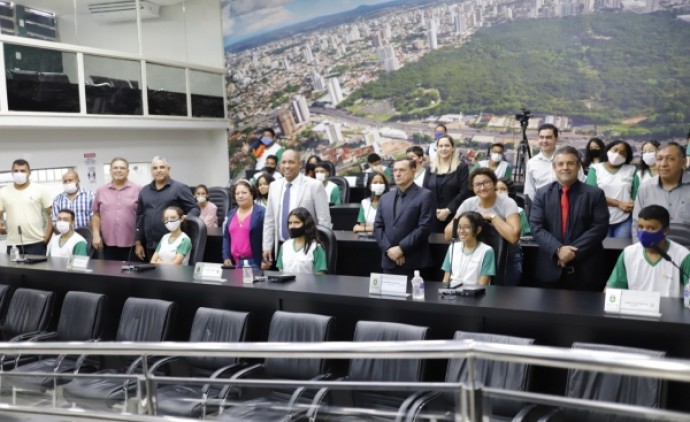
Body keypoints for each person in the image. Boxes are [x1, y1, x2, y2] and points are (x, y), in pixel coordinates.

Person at [529, 146, 609, 290]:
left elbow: (600, 228)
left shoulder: (595, 194)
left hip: (586, 269)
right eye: (560, 164)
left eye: (570, 163)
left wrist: (571, 252)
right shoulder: (542, 194)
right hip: (550, 268)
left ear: (578, 166)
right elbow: (536, 227)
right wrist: (558, 249)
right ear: (554, 167)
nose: (565, 167)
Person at [446, 168, 522, 286]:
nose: (482, 187)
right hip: (476, 258)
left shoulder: (508, 202)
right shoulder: (468, 203)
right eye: (477, 184)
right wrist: (470, 218)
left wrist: (492, 216)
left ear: (494, 183)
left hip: (507, 258)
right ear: (472, 187)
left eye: (486, 182)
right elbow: (448, 233)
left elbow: (513, 237)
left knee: (505, 298)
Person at [262, 150, 332, 265]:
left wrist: (320, 248)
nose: (287, 166)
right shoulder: (274, 186)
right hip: (281, 246)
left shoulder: (314, 186)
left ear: (300, 164)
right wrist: (267, 246)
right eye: (283, 162)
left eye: (291, 162)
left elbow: (324, 220)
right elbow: (269, 220)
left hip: (306, 248)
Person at [607, 205, 690, 298]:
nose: (644, 232)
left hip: (671, 311)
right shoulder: (628, 253)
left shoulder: (682, 256)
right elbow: (613, 289)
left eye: (651, 228)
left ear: (666, 231)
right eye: (640, 227)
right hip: (635, 310)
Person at [374, 158, 436, 276]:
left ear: (413, 172)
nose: (397, 174)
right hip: (389, 261)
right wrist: (390, 250)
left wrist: (401, 249)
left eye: (402, 170)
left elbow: (424, 227)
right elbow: (377, 226)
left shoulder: (425, 195)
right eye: (395, 170)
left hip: (414, 262)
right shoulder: (385, 197)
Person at [135, 156, 199, 261]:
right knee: (151, 276)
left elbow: (194, 208)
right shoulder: (144, 191)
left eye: (162, 167)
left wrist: (187, 217)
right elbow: (140, 217)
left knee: (171, 275)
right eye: (155, 168)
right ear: (151, 171)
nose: (158, 170)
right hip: (150, 245)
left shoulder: (180, 188)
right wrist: (138, 242)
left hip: (173, 245)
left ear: (168, 169)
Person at [585, 140, 639, 238]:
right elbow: (591, 194)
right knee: (604, 251)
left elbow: (637, 194)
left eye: (622, 153)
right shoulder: (595, 169)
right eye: (615, 150)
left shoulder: (631, 169)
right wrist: (618, 204)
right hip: (600, 219)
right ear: (608, 150)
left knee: (620, 250)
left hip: (624, 219)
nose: (618, 154)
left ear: (626, 157)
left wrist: (633, 204)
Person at [92, 157, 143, 261]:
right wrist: (96, 235)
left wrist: (139, 243)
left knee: (132, 275)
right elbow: (96, 215)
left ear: (128, 171)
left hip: (132, 245)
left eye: (122, 168)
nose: (118, 170)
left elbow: (142, 218)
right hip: (108, 244)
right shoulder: (101, 191)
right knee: (112, 275)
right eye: (115, 168)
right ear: (110, 171)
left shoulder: (138, 190)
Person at [0, 159, 53, 255]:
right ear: (12, 172)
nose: (19, 173)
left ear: (29, 173)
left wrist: (46, 239)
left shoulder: (40, 189)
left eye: (22, 171)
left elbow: (53, 216)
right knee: (13, 271)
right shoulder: (3, 192)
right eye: (16, 171)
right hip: (13, 244)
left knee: (37, 270)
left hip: (36, 242)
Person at [633, 142, 690, 230]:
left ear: (683, 162)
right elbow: (636, 224)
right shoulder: (645, 188)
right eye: (659, 159)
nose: (663, 164)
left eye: (670, 159)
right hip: (653, 243)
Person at [423, 135, 471, 233]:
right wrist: (433, 210)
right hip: (433, 217)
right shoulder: (430, 168)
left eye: (447, 146)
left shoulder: (461, 167)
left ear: (453, 148)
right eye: (440, 146)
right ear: (437, 148)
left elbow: (464, 192)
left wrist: (448, 210)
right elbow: (424, 192)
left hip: (454, 217)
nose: (443, 149)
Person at [524, 124, 584, 200]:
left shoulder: (570, 158)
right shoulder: (532, 163)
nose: (544, 141)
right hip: (543, 206)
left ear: (556, 139)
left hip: (570, 203)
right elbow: (530, 191)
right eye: (541, 137)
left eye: (548, 137)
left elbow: (581, 182)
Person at [442, 211, 495, 287]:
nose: (461, 231)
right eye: (459, 227)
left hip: (475, 295)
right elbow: (445, 279)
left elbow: (483, 285)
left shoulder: (487, 251)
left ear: (478, 230)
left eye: (467, 227)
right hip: (452, 294)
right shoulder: (452, 247)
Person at [222, 180, 266, 269]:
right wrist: (226, 256)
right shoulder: (231, 213)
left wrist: (265, 260)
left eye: (244, 193)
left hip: (255, 263)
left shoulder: (262, 212)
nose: (240, 196)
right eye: (237, 193)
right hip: (234, 264)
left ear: (252, 194)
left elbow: (268, 237)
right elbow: (226, 236)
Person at [276, 207, 328, 274]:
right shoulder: (285, 246)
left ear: (306, 224)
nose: (292, 226)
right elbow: (281, 270)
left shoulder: (316, 247)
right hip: (287, 284)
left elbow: (320, 276)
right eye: (290, 223)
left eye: (297, 222)